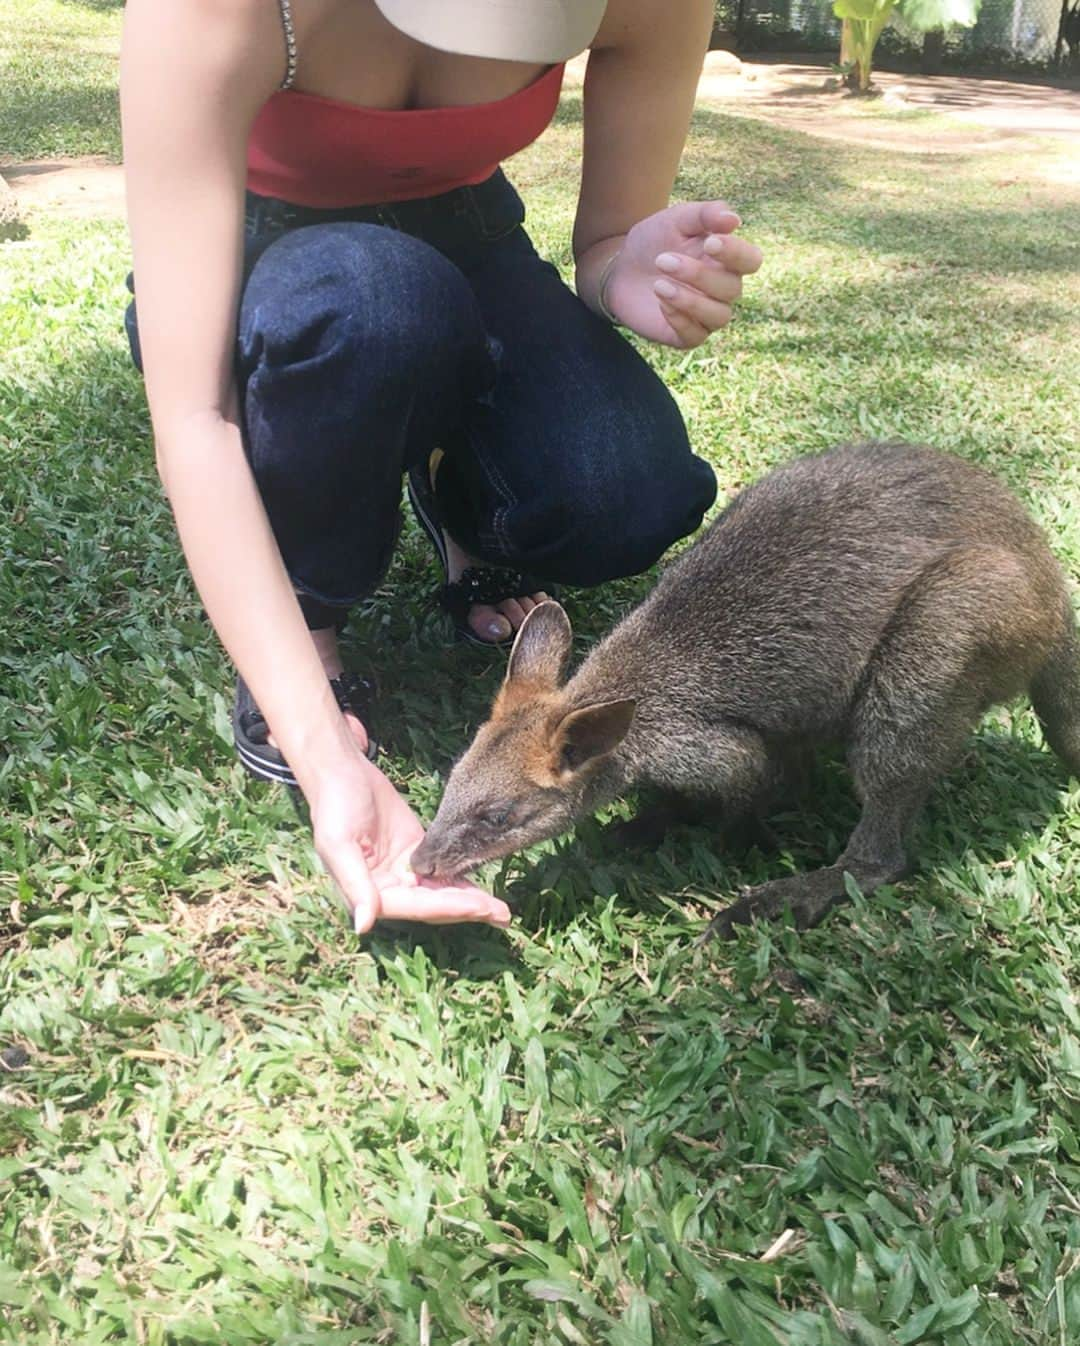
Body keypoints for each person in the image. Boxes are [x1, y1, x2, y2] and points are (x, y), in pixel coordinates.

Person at [119, 0, 762, 935]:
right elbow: (194, 416)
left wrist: (626, 271)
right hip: (277, 256)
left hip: (468, 229)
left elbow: (608, 237)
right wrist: (323, 756)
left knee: (626, 487)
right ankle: (314, 623)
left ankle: (462, 511)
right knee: (375, 303)